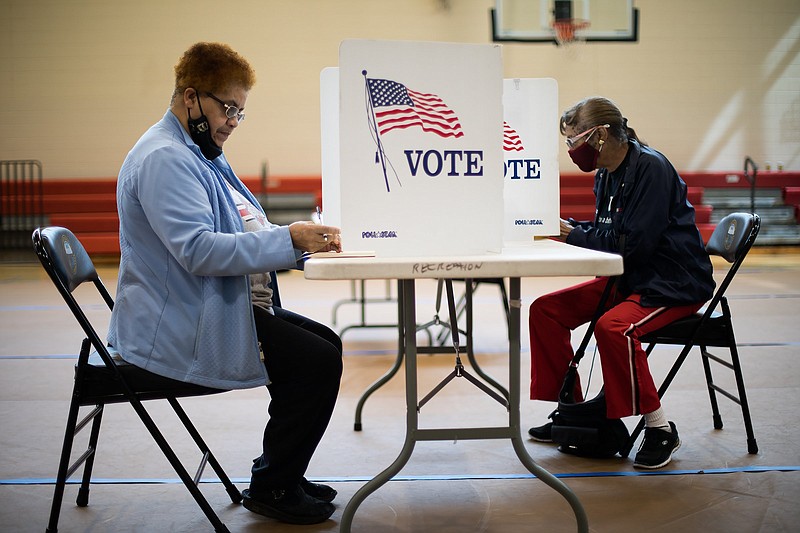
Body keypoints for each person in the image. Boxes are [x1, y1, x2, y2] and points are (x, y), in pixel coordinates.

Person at [107, 42, 344, 524]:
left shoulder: (199, 150)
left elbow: (241, 224)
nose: (234, 120)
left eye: (241, 111)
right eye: (228, 107)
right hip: (177, 322)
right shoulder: (165, 158)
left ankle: (280, 470)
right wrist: (289, 241)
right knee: (315, 361)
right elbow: (198, 250)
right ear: (191, 97)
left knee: (324, 344)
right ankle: (274, 487)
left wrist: (296, 243)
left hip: (202, 304)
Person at [527, 96, 715, 469]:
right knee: (544, 311)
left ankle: (660, 428)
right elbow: (609, 233)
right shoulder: (606, 174)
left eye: (574, 140)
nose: (571, 149)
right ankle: (573, 413)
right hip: (632, 277)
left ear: (600, 135)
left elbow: (635, 246)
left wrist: (575, 237)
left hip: (670, 282)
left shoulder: (652, 169)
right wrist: (574, 229)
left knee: (613, 327)